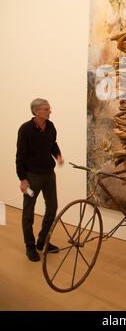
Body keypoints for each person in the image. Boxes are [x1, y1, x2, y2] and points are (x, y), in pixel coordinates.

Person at [16, 98, 64, 262]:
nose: (50, 111)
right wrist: (23, 179)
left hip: (49, 175)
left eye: (49, 108)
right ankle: (30, 246)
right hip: (32, 176)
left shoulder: (50, 126)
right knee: (28, 212)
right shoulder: (25, 130)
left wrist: (58, 155)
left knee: (52, 207)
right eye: (46, 109)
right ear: (37, 112)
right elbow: (20, 157)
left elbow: (53, 144)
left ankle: (42, 242)